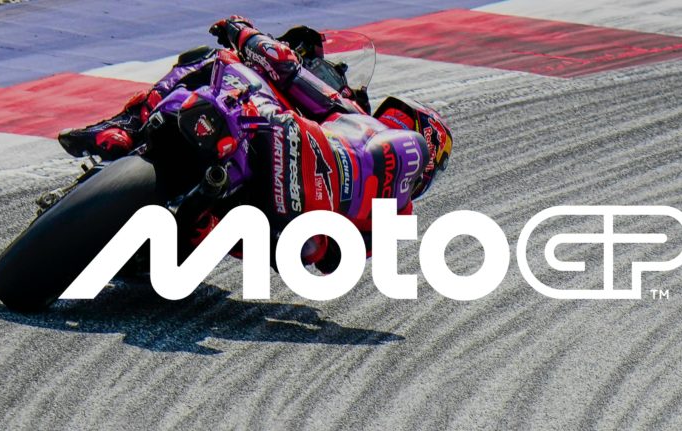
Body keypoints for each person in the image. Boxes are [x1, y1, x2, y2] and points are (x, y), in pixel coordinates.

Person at [58, 16, 453, 273]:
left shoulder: (351, 118)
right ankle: (197, 220)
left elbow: (287, 68)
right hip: (278, 232)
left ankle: (127, 127)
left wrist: (241, 29)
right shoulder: (389, 216)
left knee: (213, 59)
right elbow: (331, 263)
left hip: (276, 159)